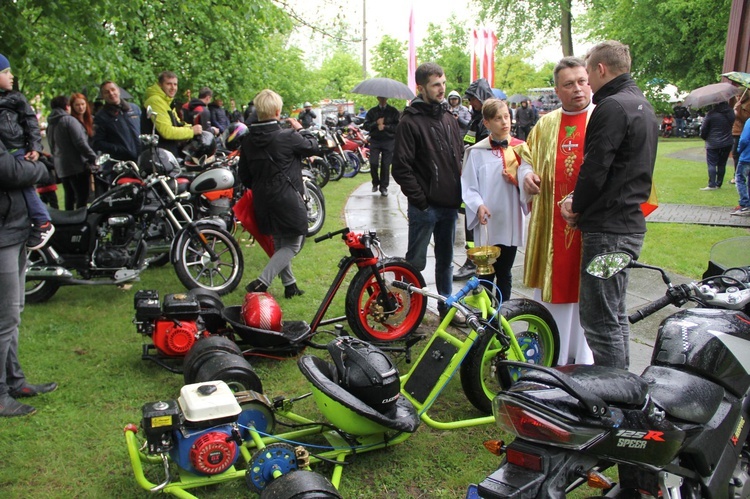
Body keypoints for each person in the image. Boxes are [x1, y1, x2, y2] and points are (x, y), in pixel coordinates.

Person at [560, 40, 658, 370]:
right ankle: (625, 389)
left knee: (600, 320)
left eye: (587, 73)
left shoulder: (613, 107)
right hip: (626, 225)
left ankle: (616, 395)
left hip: (609, 230)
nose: (586, 80)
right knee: (613, 316)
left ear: (601, 69)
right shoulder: (640, 104)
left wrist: (576, 205)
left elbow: (595, 167)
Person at [519, 56, 595, 366]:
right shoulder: (546, 124)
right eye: (569, 84)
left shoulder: (603, 118)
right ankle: (551, 353)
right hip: (551, 226)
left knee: (589, 292)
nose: (578, 89)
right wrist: (526, 174)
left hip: (590, 228)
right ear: (557, 90)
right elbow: (525, 157)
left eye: (582, 81)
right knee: (554, 290)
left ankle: (584, 357)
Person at [392, 62, 463, 320]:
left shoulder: (449, 118)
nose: (442, 89)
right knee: (415, 264)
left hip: (449, 206)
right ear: (421, 88)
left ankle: (446, 308)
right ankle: (408, 309)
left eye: (443, 83)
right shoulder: (409, 122)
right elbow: (400, 168)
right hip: (426, 208)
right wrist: (421, 200)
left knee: (446, 263)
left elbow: (458, 157)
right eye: (436, 85)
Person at [237, 89, 320, 299]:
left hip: (263, 201)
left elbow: (244, 176)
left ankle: (290, 285)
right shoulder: (288, 136)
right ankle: (262, 282)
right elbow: (313, 147)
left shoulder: (247, 141)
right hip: (286, 198)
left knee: (281, 242)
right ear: (277, 111)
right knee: (294, 244)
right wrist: (302, 129)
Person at [0, 141, 58, 417]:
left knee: (13, 315)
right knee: (5, 318)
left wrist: (28, 167)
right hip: (3, 237)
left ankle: (15, 382)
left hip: (16, 230)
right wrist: (34, 166)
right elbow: (10, 172)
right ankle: (1, 395)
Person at [462, 98, 530, 304]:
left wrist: (519, 181)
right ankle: (485, 315)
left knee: (505, 272)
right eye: (498, 118)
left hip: (510, 219)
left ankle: (504, 312)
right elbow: (469, 185)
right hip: (488, 221)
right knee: (486, 273)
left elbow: (530, 183)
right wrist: (478, 205)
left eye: (507, 117)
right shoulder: (475, 153)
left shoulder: (521, 149)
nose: (504, 122)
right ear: (487, 123)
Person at [0, 54, 54, 249]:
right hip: (6, 152)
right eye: (5, 72)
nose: (11, 76)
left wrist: (35, 148)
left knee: (24, 186)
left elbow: (31, 123)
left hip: (18, 150)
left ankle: (43, 221)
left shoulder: (16, 98)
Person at [454, 77, 494, 281]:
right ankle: (473, 258)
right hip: (470, 176)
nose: (471, 103)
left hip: (481, 181)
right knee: (469, 220)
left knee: (476, 221)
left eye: (473, 99)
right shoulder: (475, 119)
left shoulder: (487, 121)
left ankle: (474, 261)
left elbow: (488, 148)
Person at [47, 95, 98, 210]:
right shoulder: (69, 120)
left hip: (62, 167)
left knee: (69, 197)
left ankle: (68, 220)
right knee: (82, 197)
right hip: (76, 166)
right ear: (67, 106)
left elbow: (52, 145)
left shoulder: (51, 123)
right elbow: (80, 143)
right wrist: (93, 157)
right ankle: (80, 220)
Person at [92, 80, 141, 194]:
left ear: (118, 91)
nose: (111, 93)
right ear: (103, 96)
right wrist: (120, 150)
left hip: (141, 162)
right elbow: (97, 142)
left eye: (113, 90)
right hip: (120, 166)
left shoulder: (134, 109)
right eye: (106, 92)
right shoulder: (101, 117)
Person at [143, 71, 202, 156]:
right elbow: (166, 131)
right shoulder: (155, 101)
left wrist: (191, 128)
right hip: (157, 156)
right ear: (160, 85)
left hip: (167, 154)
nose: (173, 87)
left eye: (175, 84)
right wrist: (192, 131)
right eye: (169, 84)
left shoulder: (167, 101)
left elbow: (178, 124)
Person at [363, 96, 399, 197]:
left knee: (385, 164)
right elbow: (366, 125)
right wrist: (376, 124)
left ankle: (384, 187)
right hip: (375, 140)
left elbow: (397, 126)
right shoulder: (372, 112)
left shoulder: (393, 111)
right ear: (378, 98)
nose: (382, 100)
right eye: (381, 98)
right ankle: (375, 182)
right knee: (373, 162)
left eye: (384, 98)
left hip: (388, 140)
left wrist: (385, 127)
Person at [699, 101, 735, 190]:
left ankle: (712, 184)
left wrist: (704, 137)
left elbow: (704, 129)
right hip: (727, 142)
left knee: (712, 164)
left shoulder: (711, 114)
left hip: (713, 142)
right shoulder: (730, 113)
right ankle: (719, 183)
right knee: (722, 164)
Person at [731, 90, 750, 190]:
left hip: (742, 132)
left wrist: (738, 111)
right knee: (735, 154)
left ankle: (738, 175)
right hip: (735, 131)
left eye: (739, 95)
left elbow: (746, 119)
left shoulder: (747, 104)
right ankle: (736, 174)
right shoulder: (738, 103)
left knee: (738, 153)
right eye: (737, 95)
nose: (738, 97)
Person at [734, 115, 750, 216]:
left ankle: (745, 203)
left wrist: (739, 149)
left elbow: (744, 139)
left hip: (747, 156)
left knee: (740, 179)